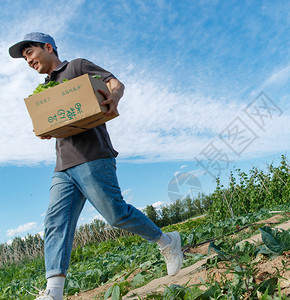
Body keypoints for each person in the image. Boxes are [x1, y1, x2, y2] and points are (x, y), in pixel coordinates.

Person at [9, 32, 183, 300]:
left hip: (92, 155)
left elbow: (116, 83)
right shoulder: (43, 90)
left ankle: (167, 241)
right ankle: (53, 292)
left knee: (116, 214)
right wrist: (45, 129)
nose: (28, 60)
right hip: (63, 164)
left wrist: (114, 98)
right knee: (55, 222)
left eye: (29, 52)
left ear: (48, 47)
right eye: (24, 58)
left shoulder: (76, 67)